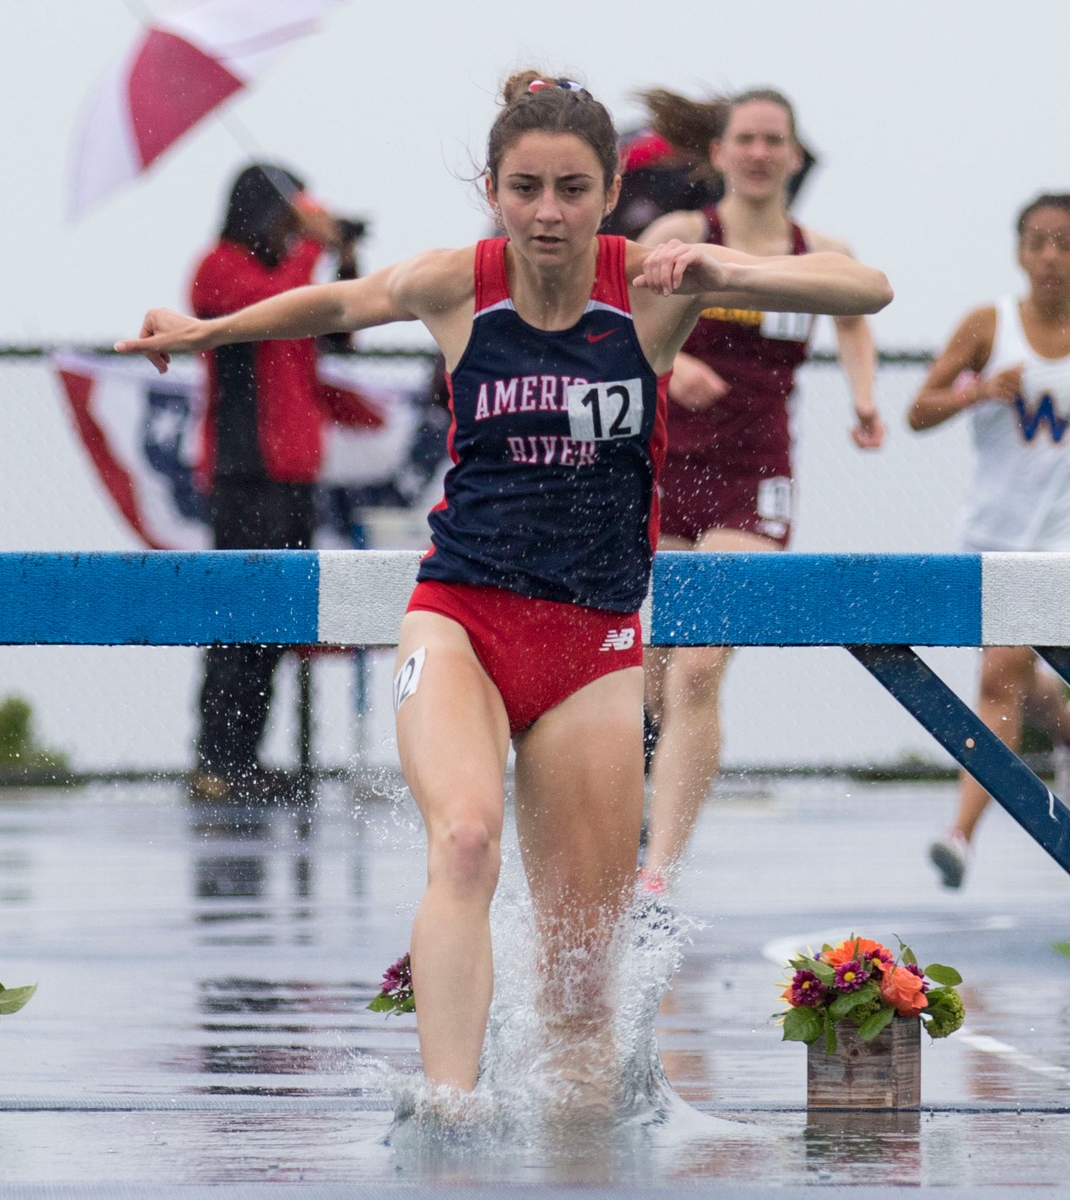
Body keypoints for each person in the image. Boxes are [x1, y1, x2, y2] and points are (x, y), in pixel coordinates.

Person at [117, 71, 892, 1102]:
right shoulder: (457, 284)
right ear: (492, 191)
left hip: (593, 646)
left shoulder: (655, 286)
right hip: (462, 621)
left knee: (580, 977)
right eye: (525, 188)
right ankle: (449, 1115)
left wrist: (720, 265)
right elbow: (338, 302)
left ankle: (580, 1134)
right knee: (468, 839)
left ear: (611, 192)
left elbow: (867, 289)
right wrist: (202, 334)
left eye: (572, 189)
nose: (548, 213)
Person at [633, 88, 883, 892]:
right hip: (665, 470)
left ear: (795, 156)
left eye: (775, 140)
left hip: (754, 479)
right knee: (647, 674)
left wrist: (865, 398)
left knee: (700, 665)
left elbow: (854, 318)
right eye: (745, 138)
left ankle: (660, 874)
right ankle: (629, 815)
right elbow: (614, 317)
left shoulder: (819, 253)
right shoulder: (678, 236)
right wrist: (672, 363)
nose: (759, 153)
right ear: (719, 153)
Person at [906, 192, 1070, 889]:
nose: (1050, 256)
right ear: (1020, 252)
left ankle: (960, 835)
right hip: (991, 531)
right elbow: (918, 410)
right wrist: (976, 392)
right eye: (1037, 242)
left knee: (999, 671)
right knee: (1015, 676)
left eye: (1065, 242)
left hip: (1066, 534)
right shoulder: (986, 325)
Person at [187, 163, 365, 805]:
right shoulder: (218, 268)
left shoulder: (287, 271)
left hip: (291, 474)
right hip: (245, 473)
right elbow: (269, 310)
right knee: (235, 618)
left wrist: (345, 263)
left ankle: (245, 759)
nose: (290, 233)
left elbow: (340, 335)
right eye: (286, 220)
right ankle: (215, 760)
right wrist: (316, 245)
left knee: (275, 623)